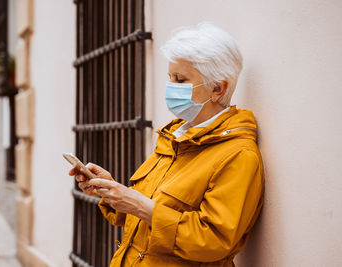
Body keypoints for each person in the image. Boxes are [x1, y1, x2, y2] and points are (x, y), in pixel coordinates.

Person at [69, 22, 264, 267]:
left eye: (180, 79)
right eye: (170, 77)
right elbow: (146, 215)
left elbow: (214, 241)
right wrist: (111, 192)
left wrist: (140, 205)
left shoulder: (238, 156)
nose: (171, 86)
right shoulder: (174, 138)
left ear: (217, 88)